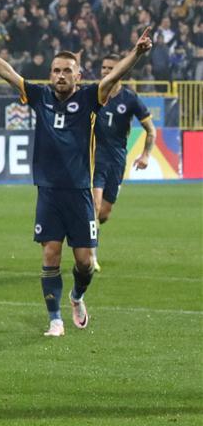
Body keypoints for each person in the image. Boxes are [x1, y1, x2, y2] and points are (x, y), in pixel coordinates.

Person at [0, 20, 153, 336]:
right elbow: (5, 71)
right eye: (56, 70)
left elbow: (116, 75)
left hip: (80, 192)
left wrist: (138, 54)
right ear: (51, 74)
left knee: (86, 262)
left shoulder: (92, 97)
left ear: (78, 75)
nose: (60, 75)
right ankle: (55, 320)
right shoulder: (39, 96)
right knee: (50, 254)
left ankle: (77, 296)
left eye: (66, 71)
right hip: (48, 191)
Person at [91, 53, 157, 271]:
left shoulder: (130, 99)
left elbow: (151, 130)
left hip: (118, 160)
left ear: (121, 70)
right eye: (103, 68)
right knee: (95, 205)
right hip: (95, 157)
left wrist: (146, 155)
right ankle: (91, 256)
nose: (106, 72)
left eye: (111, 68)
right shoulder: (94, 94)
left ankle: (84, 230)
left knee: (104, 213)